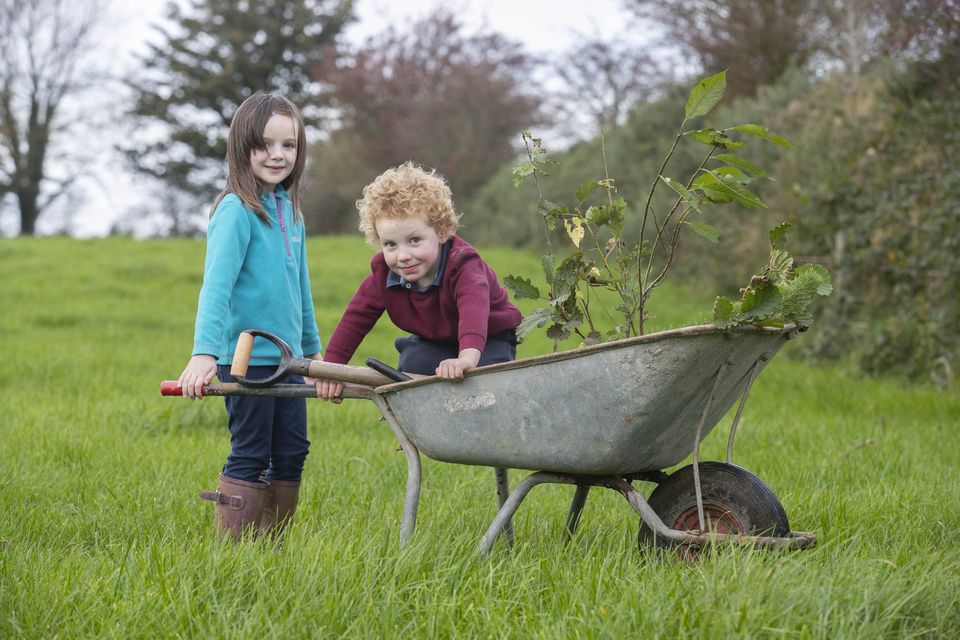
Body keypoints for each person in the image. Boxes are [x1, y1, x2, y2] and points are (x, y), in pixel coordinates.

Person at [177, 93, 322, 541]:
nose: (278, 155)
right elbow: (216, 289)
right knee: (252, 451)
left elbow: (301, 291)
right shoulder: (235, 211)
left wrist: (314, 356)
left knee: (293, 451)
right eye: (265, 144)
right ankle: (235, 554)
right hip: (247, 363)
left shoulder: (291, 213)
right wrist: (204, 354)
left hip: (289, 363)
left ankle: (270, 550)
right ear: (242, 147)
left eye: (289, 145)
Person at [318, 162, 522, 401]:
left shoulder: (464, 266)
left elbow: (473, 312)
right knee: (411, 365)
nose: (403, 256)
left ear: (442, 232)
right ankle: (420, 432)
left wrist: (466, 359)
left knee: (482, 383)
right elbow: (355, 319)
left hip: (488, 337)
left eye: (414, 240)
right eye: (391, 245)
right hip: (435, 339)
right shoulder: (383, 274)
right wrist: (331, 370)